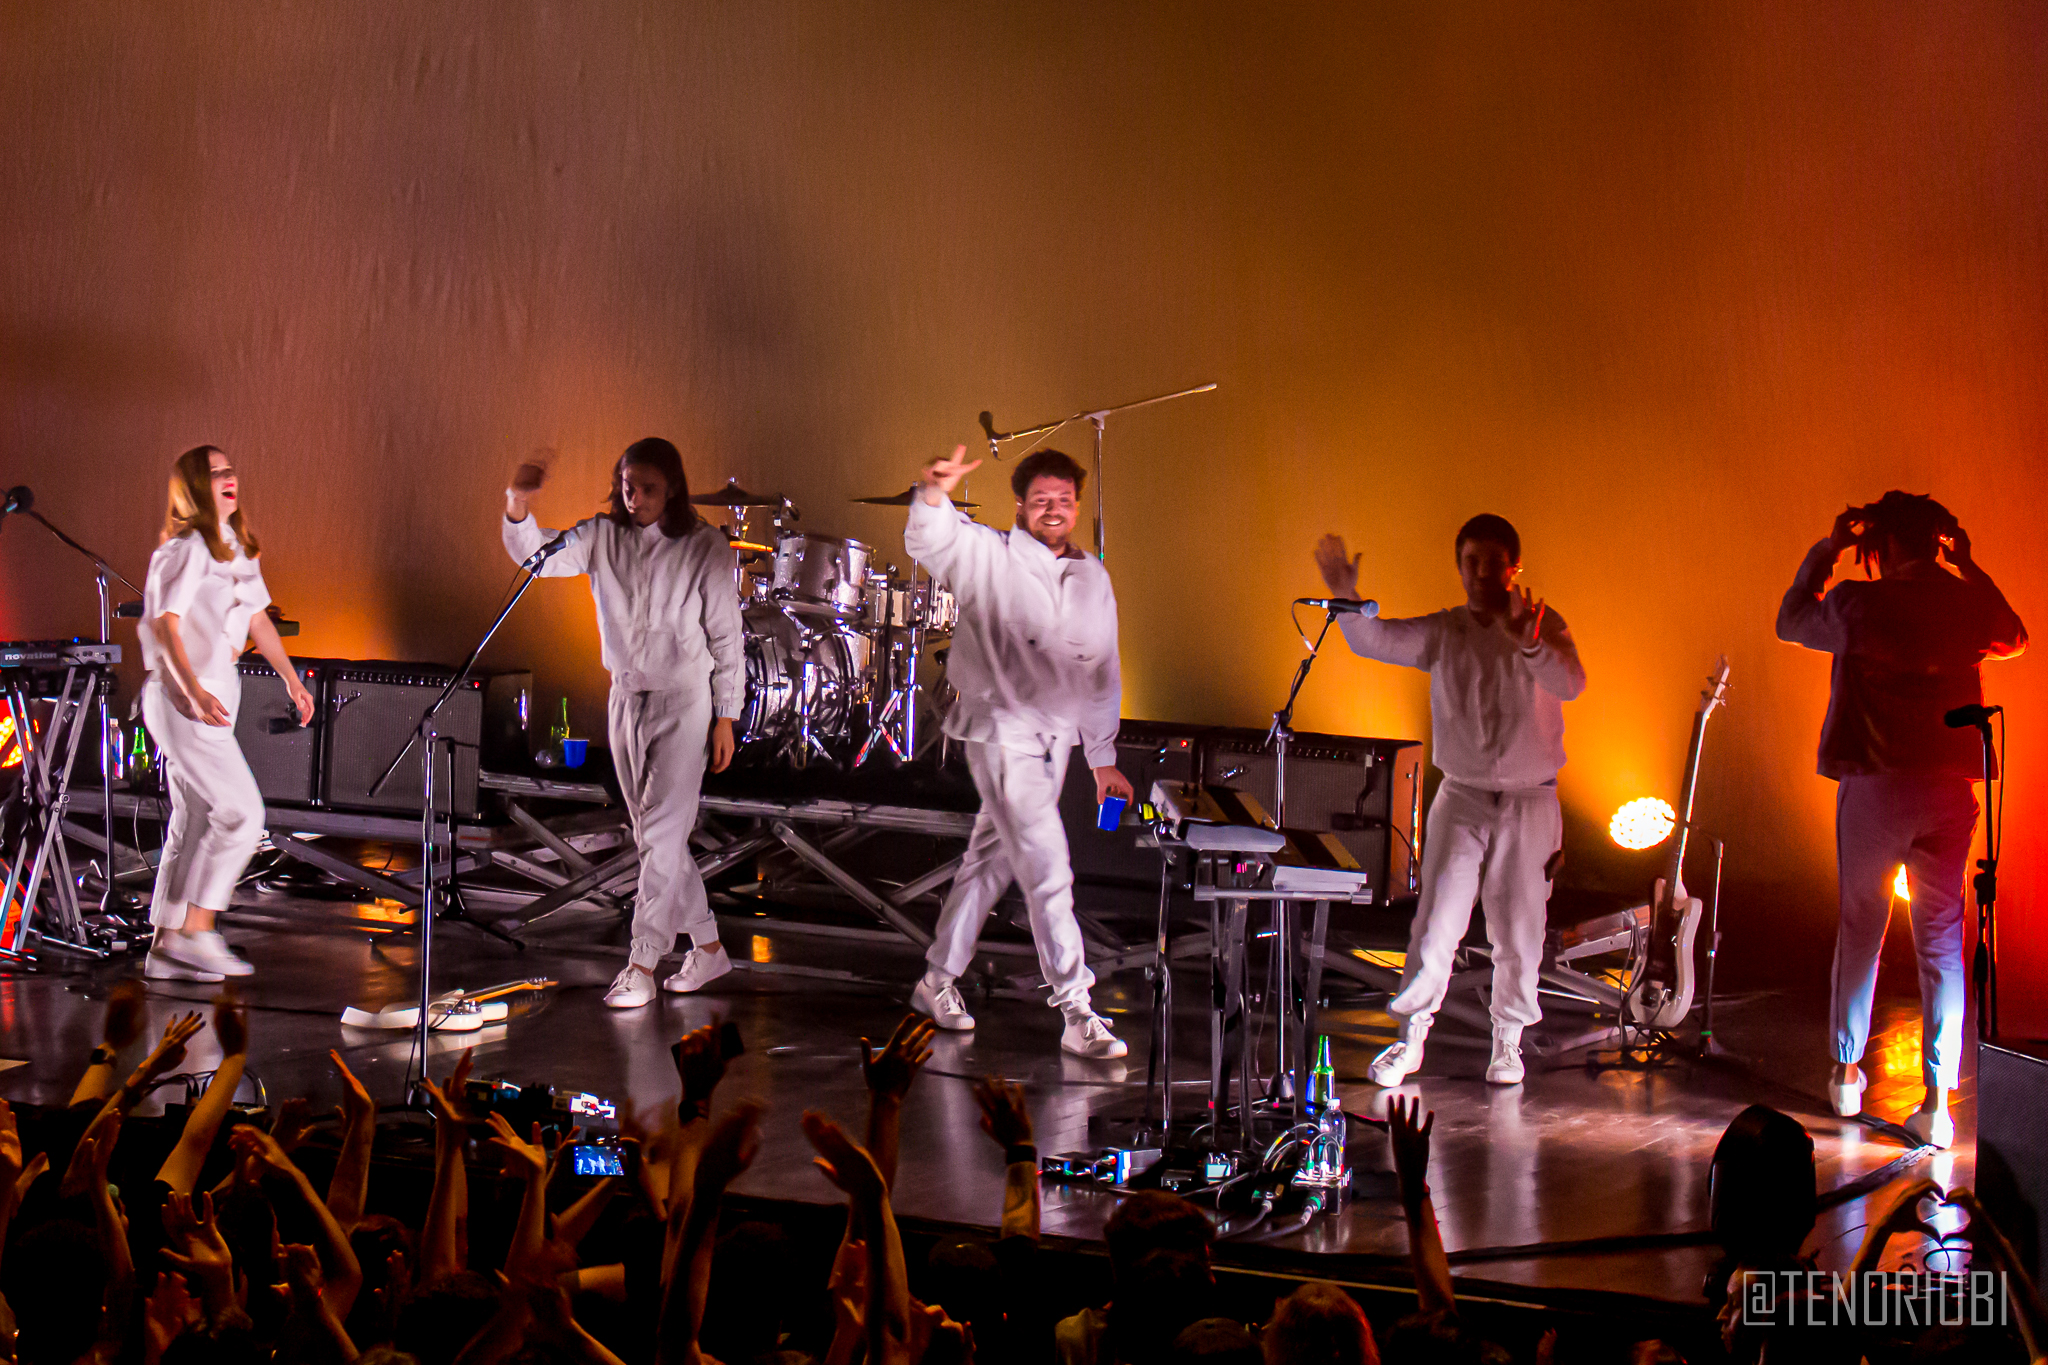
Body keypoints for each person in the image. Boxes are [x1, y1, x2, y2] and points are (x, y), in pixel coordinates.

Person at [1776, 491, 2026, 1148]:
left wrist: (1826, 551)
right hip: (1949, 788)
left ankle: (1846, 1074)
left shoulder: (1861, 602)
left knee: (1862, 929)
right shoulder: (1963, 601)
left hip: (1876, 785)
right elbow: (2016, 635)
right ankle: (1938, 1102)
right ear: (1936, 541)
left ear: (1877, 545)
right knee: (1942, 943)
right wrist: (1968, 566)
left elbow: (1789, 618)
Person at [1314, 515, 1586, 1086]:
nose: (1482, 572)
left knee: (1519, 930)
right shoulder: (1445, 631)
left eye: (1493, 562)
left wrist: (1532, 644)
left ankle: (1507, 1040)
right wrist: (1344, 591)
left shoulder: (1540, 623)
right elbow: (1373, 638)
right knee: (1436, 923)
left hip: (1529, 801)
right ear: (1460, 567)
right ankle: (1411, 1037)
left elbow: (1572, 683)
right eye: (1471, 562)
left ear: (1514, 568)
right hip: (1461, 797)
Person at [903, 444, 1133, 1060]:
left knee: (991, 864)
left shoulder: (1094, 576)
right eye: (1040, 500)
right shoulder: (993, 556)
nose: (1052, 510)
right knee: (1048, 869)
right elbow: (934, 541)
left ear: (1076, 505)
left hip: (1055, 740)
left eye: (1062, 500)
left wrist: (1102, 755)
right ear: (1021, 506)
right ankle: (1075, 1007)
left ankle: (936, 981)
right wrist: (933, 492)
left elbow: (1103, 668)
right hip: (1002, 734)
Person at [504, 438, 745, 1008]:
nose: (635, 498)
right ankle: (708, 948)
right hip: (626, 698)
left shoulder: (706, 547)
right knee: (652, 838)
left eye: (649, 488)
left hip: (685, 700)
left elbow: (726, 635)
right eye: (627, 486)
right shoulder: (600, 536)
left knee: (661, 835)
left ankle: (642, 959)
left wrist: (726, 716)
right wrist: (517, 502)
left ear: (673, 489)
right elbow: (537, 557)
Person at [139, 446, 314, 982]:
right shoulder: (187, 549)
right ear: (194, 487)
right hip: (182, 697)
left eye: (230, 469)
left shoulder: (236, 547)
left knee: (193, 819)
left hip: (215, 692)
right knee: (242, 815)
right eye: (215, 474)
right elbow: (163, 625)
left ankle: (167, 946)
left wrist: (290, 676)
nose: (228, 478)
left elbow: (258, 618)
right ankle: (198, 929)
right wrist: (189, 691)